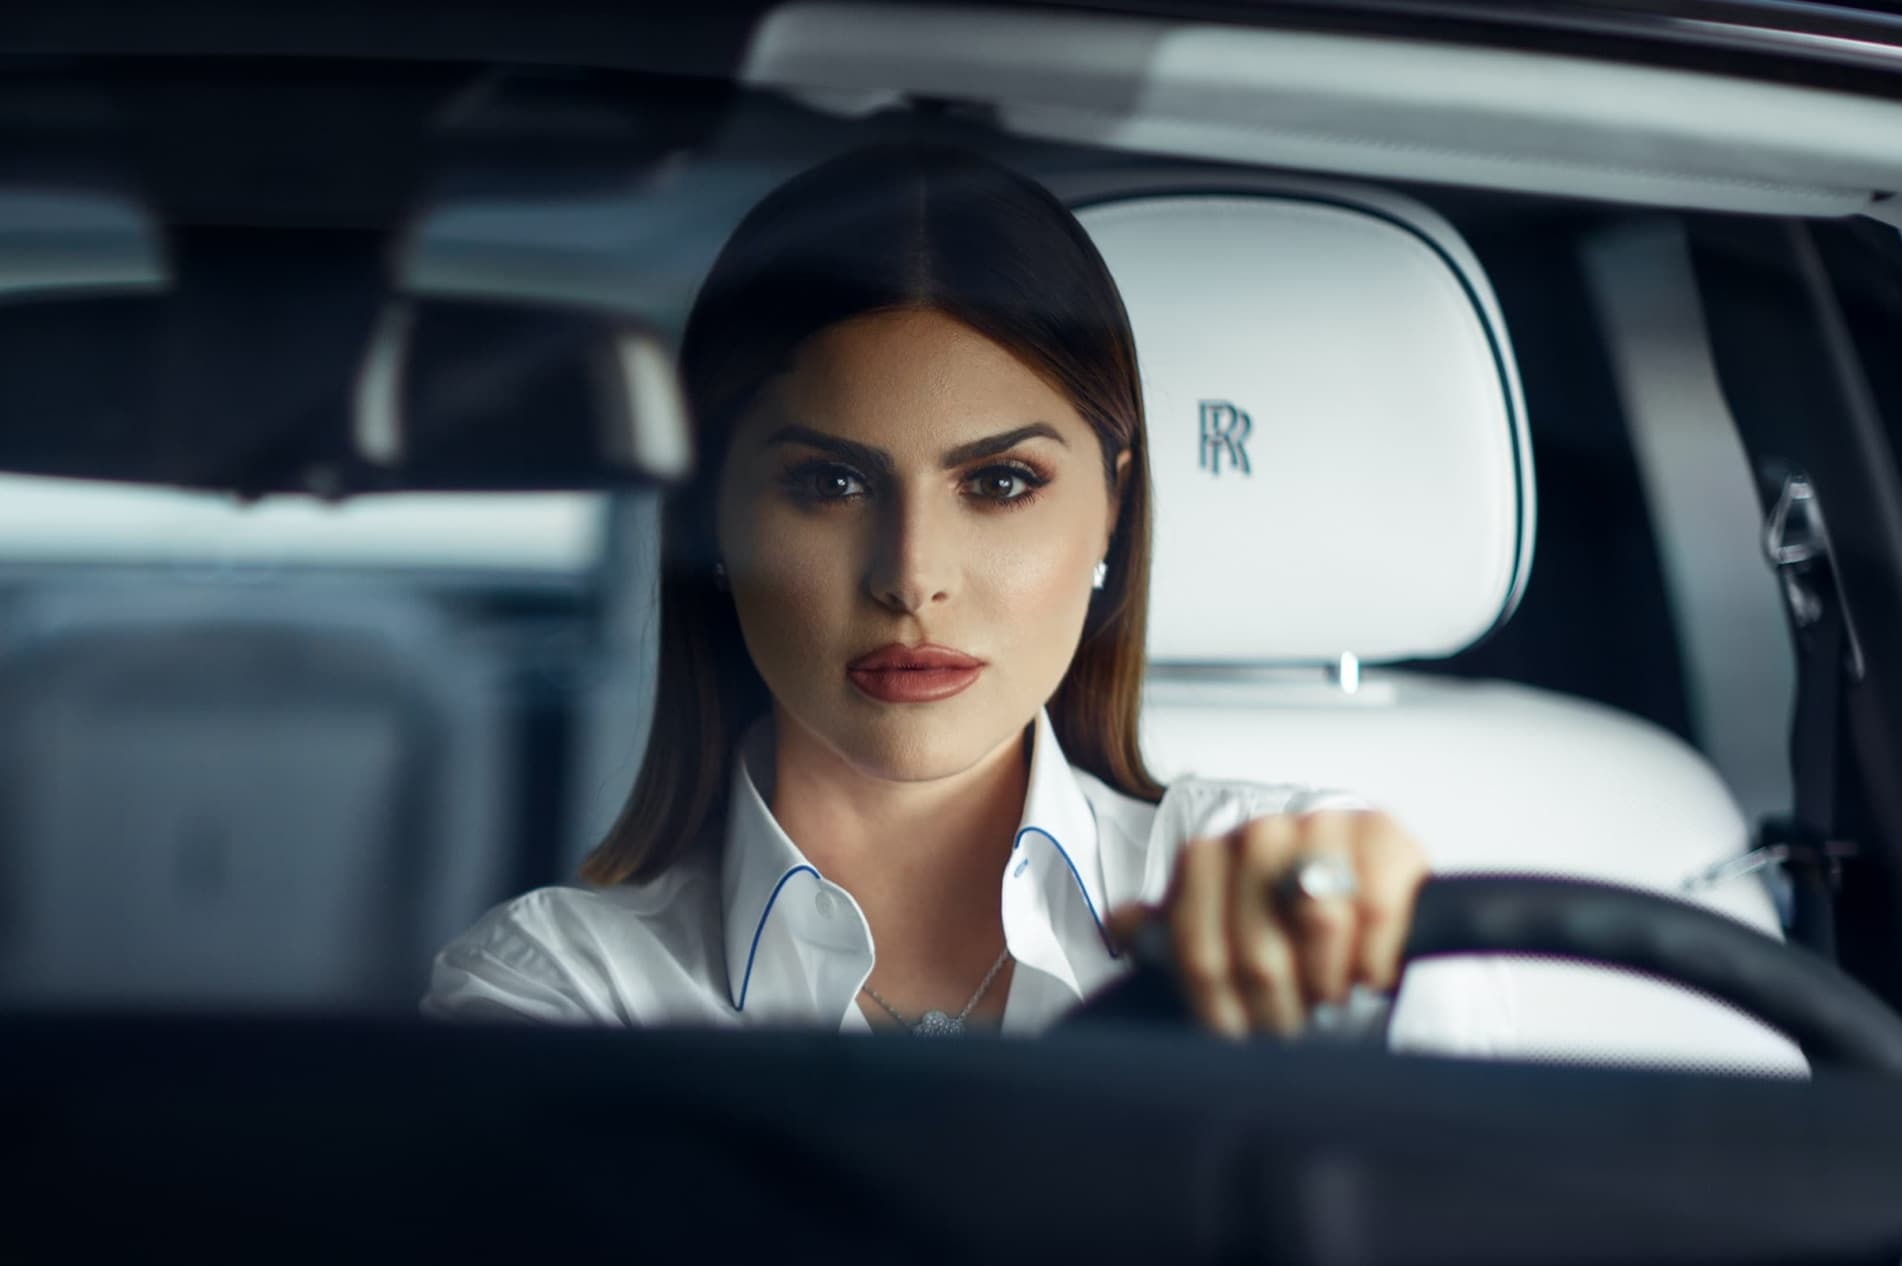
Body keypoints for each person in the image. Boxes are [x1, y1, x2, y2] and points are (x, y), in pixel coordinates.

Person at [423, 144, 1429, 1038]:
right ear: (706, 517)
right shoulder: (566, 996)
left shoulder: (1276, 900)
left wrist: (1379, 934)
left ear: (1112, 511)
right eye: (830, 483)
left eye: (999, 484)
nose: (911, 578)